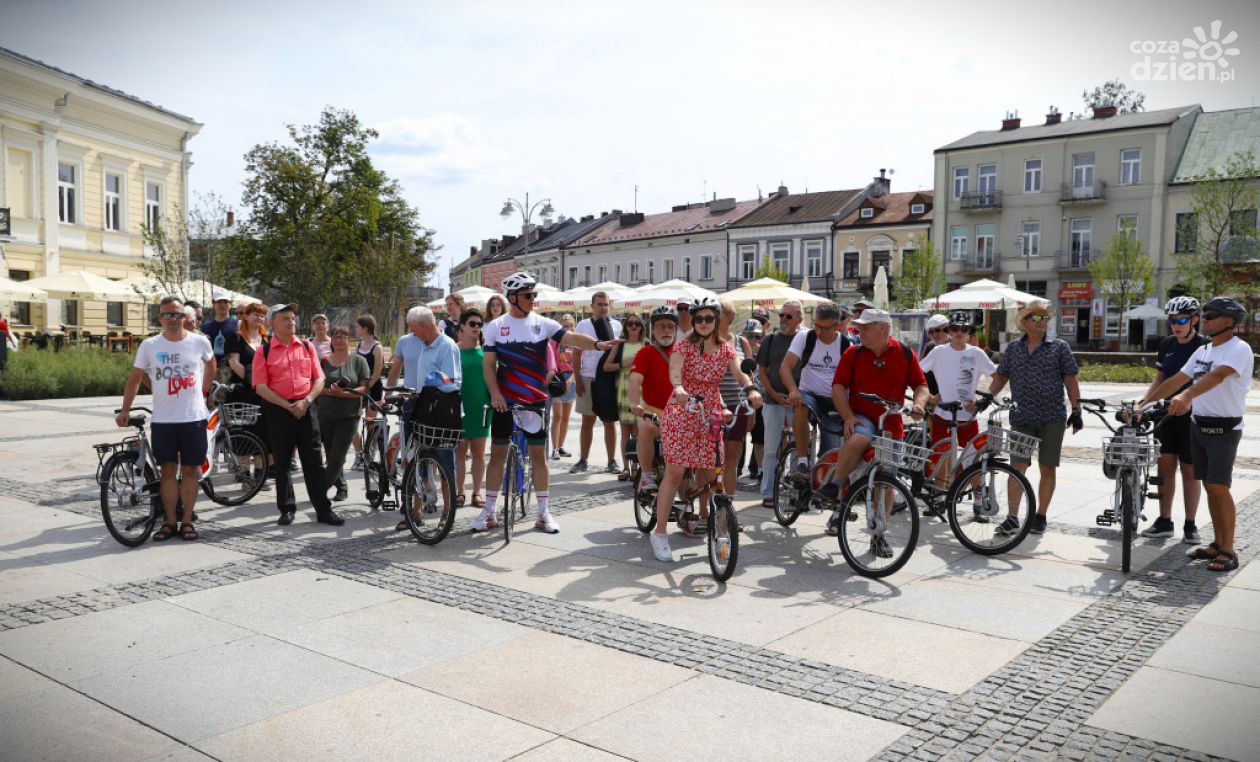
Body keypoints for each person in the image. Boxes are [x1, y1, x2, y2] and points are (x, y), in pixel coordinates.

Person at [478, 272, 619, 534]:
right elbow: (488, 365)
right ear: (512, 298)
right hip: (504, 401)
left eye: (534, 295)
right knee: (497, 454)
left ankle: (543, 512)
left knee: (539, 456)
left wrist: (598, 344)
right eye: (528, 295)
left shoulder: (542, 323)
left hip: (535, 400)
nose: (533, 299)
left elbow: (573, 338)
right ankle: (488, 511)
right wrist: (495, 394)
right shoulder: (496, 327)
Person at [1142, 296, 1251, 572]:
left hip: (1224, 428)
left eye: (1212, 315)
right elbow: (1176, 379)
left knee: (1219, 487)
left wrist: (1187, 395)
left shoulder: (1239, 349)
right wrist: (1142, 404)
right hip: (1199, 425)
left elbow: (1215, 378)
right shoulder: (1203, 351)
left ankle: (1229, 550)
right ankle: (1217, 542)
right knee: (1209, 486)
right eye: (1205, 315)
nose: (1205, 319)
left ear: (1230, 321)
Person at [648, 296, 761, 562]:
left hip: (710, 409)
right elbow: (675, 373)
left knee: (712, 473)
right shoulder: (683, 346)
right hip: (682, 407)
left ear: (717, 319)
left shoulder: (726, 349)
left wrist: (752, 388)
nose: (703, 322)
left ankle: (715, 524)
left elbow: (739, 374)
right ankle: (660, 533)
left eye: (709, 318)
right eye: (698, 318)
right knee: (675, 472)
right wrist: (678, 388)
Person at [820, 308, 929, 542]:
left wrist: (919, 405)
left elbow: (921, 385)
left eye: (866, 327)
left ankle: (879, 532)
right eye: (859, 327)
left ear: (883, 328)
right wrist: (848, 416)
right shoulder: (854, 353)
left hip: (891, 420)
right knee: (859, 439)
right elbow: (838, 387)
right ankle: (835, 485)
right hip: (862, 416)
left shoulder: (904, 353)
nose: (860, 331)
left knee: (887, 480)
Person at [116, 295, 215, 542]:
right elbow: (135, 378)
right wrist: (124, 409)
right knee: (167, 471)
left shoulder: (199, 342)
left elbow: (211, 364)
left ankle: (188, 521)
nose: (173, 319)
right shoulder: (149, 346)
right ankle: (170, 522)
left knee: (191, 470)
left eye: (177, 314)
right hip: (163, 420)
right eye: (167, 314)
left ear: (185, 317)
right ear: (160, 317)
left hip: (193, 418)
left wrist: (203, 391)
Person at [986, 304, 1082, 536]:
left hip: (1052, 417)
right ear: (1024, 322)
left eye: (1045, 317)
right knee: (1016, 466)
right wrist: (987, 396)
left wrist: (1076, 409)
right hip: (1022, 416)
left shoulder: (1059, 347)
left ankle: (1040, 515)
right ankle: (1012, 518)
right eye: (1035, 317)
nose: (1042, 321)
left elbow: (1071, 379)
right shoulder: (1013, 349)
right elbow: (1002, 376)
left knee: (1047, 467)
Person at [253, 303, 344, 527]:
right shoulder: (263, 351)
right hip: (278, 411)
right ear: (272, 323)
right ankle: (286, 508)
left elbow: (319, 378)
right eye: (285, 318)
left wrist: (306, 401)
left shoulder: (306, 346)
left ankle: (323, 509)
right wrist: (287, 405)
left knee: (314, 461)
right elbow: (260, 387)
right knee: (282, 462)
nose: (291, 322)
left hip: (307, 407)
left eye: (293, 318)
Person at [1137, 297, 1209, 542]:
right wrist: (1143, 403)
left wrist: (1190, 399)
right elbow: (1160, 379)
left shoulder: (1205, 345)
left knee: (1191, 472)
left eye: (1181, 320)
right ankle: (1164, 521)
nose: (1176, 325)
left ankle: (1190, 524)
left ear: (1194, 320)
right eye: (1172, 320)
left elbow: (1207, 382)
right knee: (1165, 468)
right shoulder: (1167, 344)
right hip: (1166, 414)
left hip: (1193, 414)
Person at [385, 306, 462, 529]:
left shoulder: (445, 346)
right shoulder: (426, 345)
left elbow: (453, 383)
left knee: (445, 463)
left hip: (442, 413)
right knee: (416, 461)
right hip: (421, 408)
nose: (413, 334)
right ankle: (414, 513)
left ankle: (447, 516)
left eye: (413, 329)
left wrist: (431, 382)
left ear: (422, 326)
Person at [919, 311, 997, 488]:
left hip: (967, 415)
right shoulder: (938, 351)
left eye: (964, 328)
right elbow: (916, 373)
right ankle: (940, 493)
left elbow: (998, 376)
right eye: (954, 328)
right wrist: (929, 397)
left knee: (972, 459)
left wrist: (983, 399)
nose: (959, 332)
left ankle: (978, 497)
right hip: (942, 414)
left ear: (970, 331)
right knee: (940, 455)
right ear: (949, 330)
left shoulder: (977, 353)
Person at [781, 302, 850, 484]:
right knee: (801, 407)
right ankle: (802, 461)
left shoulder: (845, 344)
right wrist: (793, 390)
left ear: (837, 326)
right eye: (816, 326)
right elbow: (785, 367)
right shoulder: (805, 337)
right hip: (808, 392)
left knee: (830, 452)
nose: (819, 332)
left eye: (824, 328)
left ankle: (821, 486)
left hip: (832, 399)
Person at [628, 306, 680, 495]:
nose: (666, 331)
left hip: (679, 413)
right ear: (652, 329)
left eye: (670, 326)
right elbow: (635, 380)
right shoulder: (645, 353)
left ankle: (690, 507)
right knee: (647, 427)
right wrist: (635, 403)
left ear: (676, 328)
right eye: (661, 326)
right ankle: (647, 475)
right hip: (652, 409)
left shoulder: (683, 352)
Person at [757, 300, 803, 507]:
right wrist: (773, 393)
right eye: (782, 315)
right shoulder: (770, 339)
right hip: (772, 400)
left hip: (799, 402)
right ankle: (768, 492)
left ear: (799, 320)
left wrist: (798, 394)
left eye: (788, 316)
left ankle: (795, 492)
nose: (783, 319)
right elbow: (762, 372)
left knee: (797, 448)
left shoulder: (805, 339)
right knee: (771, 448)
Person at [317, 326, 370, 502]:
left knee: (338, 455)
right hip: (325, 413)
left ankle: (317, 490)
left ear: (349, 340)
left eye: (343, 336)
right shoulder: (323, 361)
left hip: (349, 415)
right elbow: (314, 386)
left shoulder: (358, 361)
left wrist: (344, 394)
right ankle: (341, 487)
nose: (339, 339)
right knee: (331, 453)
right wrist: (329, 391)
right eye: (335, 336)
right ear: (331, 340)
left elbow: (364, 387)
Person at [572, 291, 623, 473]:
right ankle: (583, 459)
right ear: (592, 306)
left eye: (605, 304)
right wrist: (577, 379)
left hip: (608, 378)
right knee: (587, 420)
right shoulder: (583, 325)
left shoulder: (616, 325)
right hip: (588, 376)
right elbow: (576, 355)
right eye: (599, 304)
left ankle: (611, 460)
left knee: (610, 421)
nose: (603, 308)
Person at [716, 300, 755, 497]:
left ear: (730, 316)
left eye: (719, 313)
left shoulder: (741, 342)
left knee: (732, 459)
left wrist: (752, 404)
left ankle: (726, 510)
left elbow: (748, 373)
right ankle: (706, 510)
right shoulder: (706, 341)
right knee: (712, 459)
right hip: (713, 405)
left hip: (738, 406)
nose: (714, 317)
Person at [605, 312, 646, 480]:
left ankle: (636, 468)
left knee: (638, 431)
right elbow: (606, 366)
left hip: (642, 391)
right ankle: (625, 468)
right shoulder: (620, 345)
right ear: (626, 327)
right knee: (625, 431)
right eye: (630, 324)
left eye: (637, 323)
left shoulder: (647, 344)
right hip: (623, 390)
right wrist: (624, 365)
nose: (634, 326)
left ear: (641, 326)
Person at [455, 308, 490, 508]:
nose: (476, 327)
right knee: (460, 452)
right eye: (472, 324)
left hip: (482, 408)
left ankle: (476, 492)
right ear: (462, 327)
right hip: (460, 407)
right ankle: (460, 491)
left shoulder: (486, 352)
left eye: (479, 324)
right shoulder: (454, 351)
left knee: (478, 452)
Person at [350, 315, 385, 471]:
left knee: (370, 424)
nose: (356, 330)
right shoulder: (359, 346)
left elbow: (377, 373)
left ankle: (369, 457)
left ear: (365, 328)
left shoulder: (377, 347)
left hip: (373, 389)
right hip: (361, 389)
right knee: (351, 424)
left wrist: (366, 387)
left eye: (358, 327)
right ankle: (359, 454)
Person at [549, 313, 578, 459]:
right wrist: (559, 379)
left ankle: (560, 446)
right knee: (558, 416)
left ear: (573, 327)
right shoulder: (555, 341)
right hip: (558, 379)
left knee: (566, 417)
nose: (566, 328)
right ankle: (554, 448)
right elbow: (552, 361)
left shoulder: (575, 342)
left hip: (571, 379)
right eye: (564, 326)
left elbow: (578, 364)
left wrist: (570, 380)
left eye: (569, 326)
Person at [743, 318, 766, 482]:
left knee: (760, 438)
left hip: (762, 400)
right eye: (749, 336)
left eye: (757, 336)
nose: (753, 340)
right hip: (740, 401)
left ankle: (762, 471)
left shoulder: (765, 352)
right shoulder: (736, 352)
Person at [201, 288, 239, 375]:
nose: (222, 305)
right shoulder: (205, 328)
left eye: (225, 301)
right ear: (213, 304)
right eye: (219, 301)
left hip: (234, 373)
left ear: (230, 304)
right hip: (210, 372)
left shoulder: (239, 325)